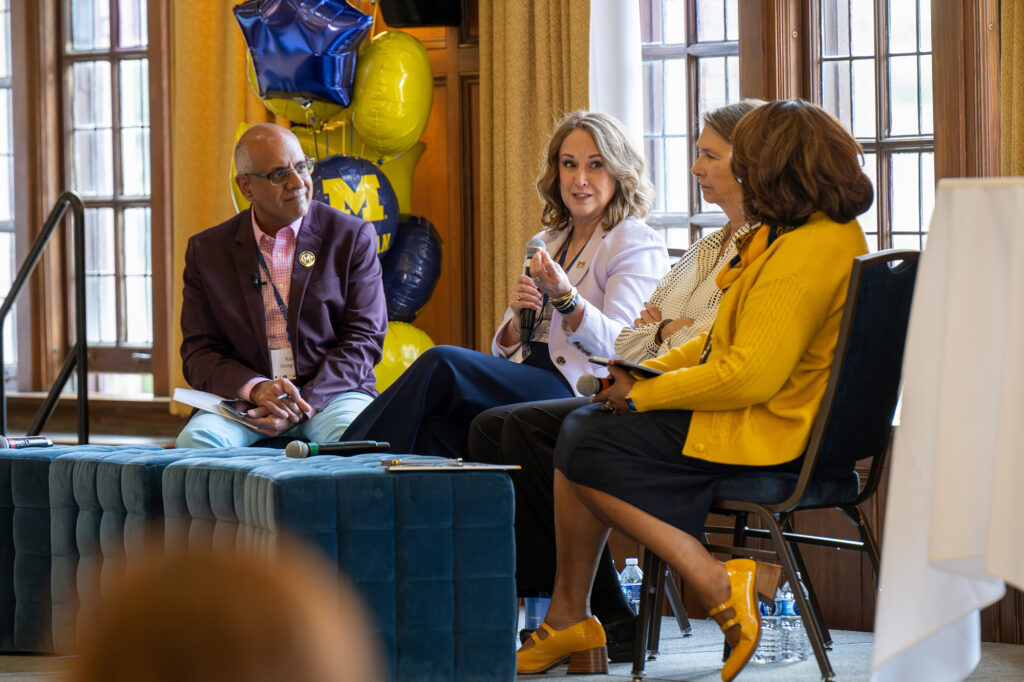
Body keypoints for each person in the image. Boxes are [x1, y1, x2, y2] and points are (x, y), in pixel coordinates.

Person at [513, 99, 873, 680]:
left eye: (742, 158)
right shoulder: (797, 235)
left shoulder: (807, 249)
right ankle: (577, 613)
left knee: (584, 438)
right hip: (764, 410)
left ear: (777, 165)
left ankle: (710, 581)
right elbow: (710, 347)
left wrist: (643, 395)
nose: (729, 171)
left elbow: (745, 374)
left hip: (772, 428)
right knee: (580, 427)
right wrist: (637, 376)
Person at [467, 99, 766, 660]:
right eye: (568, 164)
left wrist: (632, 329)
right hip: (632, 388)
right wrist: (520, 321)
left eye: (706, 155)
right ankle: (561, 612)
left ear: (750, 164)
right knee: (490, 426)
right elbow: (639, 339)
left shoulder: (734, 246)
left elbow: (680, 348)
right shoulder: (707, 248)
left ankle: (583, 614)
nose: (695, 168)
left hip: (678, 406)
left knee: (534, 421)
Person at [342, 110, 669, 458]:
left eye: (595, 165)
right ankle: (385, 496)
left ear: (619, 172)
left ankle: (343, 460)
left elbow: (623, 348)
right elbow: (504, 348)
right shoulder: (548, 240)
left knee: (442, 363)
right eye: (569, 164)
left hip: (576, 387)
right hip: (528, 376)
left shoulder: (633, 242)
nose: (580, 179)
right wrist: (515, 321)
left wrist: (567, 299)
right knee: (434, 427)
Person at [176, 123, 387, 448]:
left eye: (302, 167)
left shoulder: (351, 237)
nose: (298, 183)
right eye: (278, 175)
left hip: (332, 396)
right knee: (199, 440)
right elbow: (198, 353)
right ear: (246, 187)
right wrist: (257, 388)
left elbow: (365, 339)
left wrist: (304, 404)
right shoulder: (207, 251)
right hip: (248, 402)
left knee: (353, 438)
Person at [70, 541, 384, 682]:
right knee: (198, 441)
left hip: (331, 406)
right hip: (242, 411)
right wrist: (254, 401)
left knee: (347, 434)